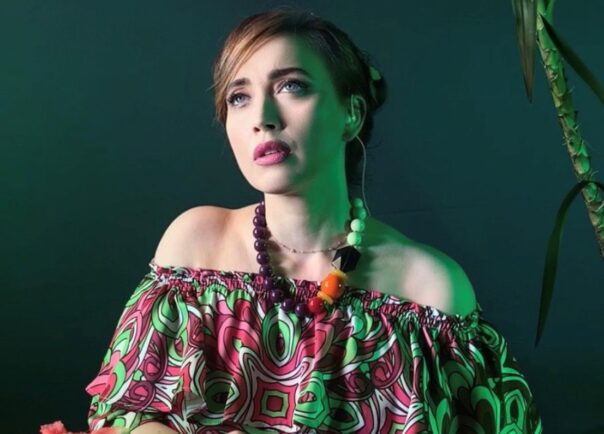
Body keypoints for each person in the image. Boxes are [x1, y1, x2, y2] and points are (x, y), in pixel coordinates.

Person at [84, 7, 543, 434]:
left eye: (292, 86)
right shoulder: (195, 246)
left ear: (352, 113)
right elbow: (124, 413)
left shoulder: (432, 291)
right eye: (239, 97)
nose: (262, 118)